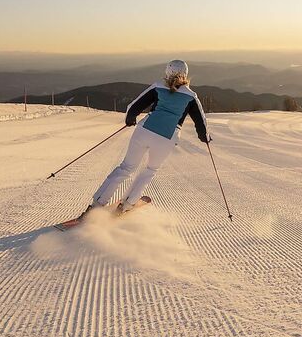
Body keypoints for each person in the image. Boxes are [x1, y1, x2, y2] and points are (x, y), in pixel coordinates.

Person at [78, 60, 209, 220]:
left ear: (167, 72)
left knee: (126, 168)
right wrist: (205, 138)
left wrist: (130, 119)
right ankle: (126, 206)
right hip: (166, 138)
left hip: (144, 131)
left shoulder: (158, 87)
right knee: (149, 170)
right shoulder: (191, 96)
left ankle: (96, 206)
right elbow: (201, 123)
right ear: (185, 74)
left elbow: (133, 107)